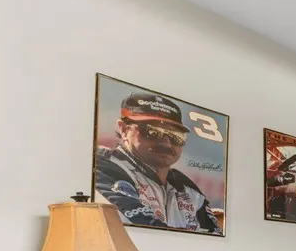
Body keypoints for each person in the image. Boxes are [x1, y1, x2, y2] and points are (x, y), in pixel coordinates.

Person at [95, 92, 222, 234]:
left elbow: (214, 235)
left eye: (176, 136)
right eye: (153, 131)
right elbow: (139, 228)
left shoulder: (188, 189)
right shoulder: (103, 165)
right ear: (124, 129)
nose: (167, 143)